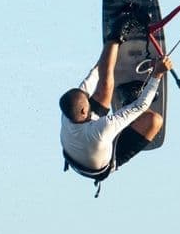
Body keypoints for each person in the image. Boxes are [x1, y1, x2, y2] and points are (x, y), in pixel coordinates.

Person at [59, 38, 170, 183]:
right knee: (154, 121)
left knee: (104, 87)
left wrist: (113, 40)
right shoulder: (101, 129)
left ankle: (116, 36)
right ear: (83, 112)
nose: (90, 100)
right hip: (100, 163)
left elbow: (94, 74)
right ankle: (128, 98)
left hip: (84, 143)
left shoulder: (69, 112)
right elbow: (140, 106)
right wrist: (157, 74)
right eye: (88, 103)